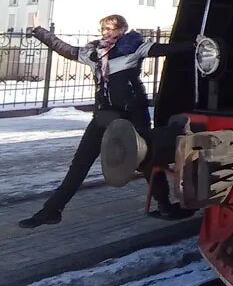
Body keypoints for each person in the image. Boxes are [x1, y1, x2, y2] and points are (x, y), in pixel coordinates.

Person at [18, 15, 195, 229]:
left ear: (121, 29)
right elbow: (64, 49)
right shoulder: (94, 53)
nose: (105, 33)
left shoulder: (134, 47)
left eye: (110, 28)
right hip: (104, 116)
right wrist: (39, 31)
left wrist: (196, 45)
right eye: (103, 29)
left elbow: (164, 49)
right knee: (79, 164)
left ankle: (165, 205)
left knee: (149, 160)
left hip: (132, 115)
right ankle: (51, 211)